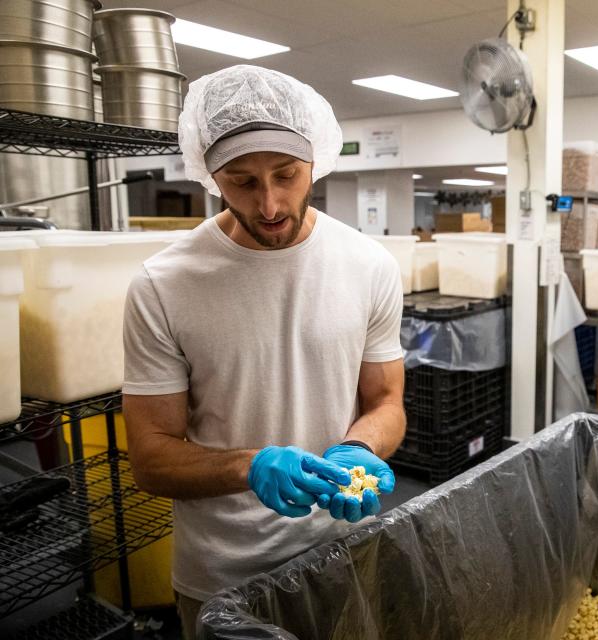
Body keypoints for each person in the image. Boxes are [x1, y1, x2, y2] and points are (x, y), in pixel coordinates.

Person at [121, 65, 406, 639]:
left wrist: (359, 448)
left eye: (287, 175)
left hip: (341, 552)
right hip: (222, 576)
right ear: (211, 176)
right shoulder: (163, 284)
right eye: (243, 181)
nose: (271, 203)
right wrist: (247, 467)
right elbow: (150, 457)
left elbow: (386, 401)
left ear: (315, 163)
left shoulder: (368, 265)